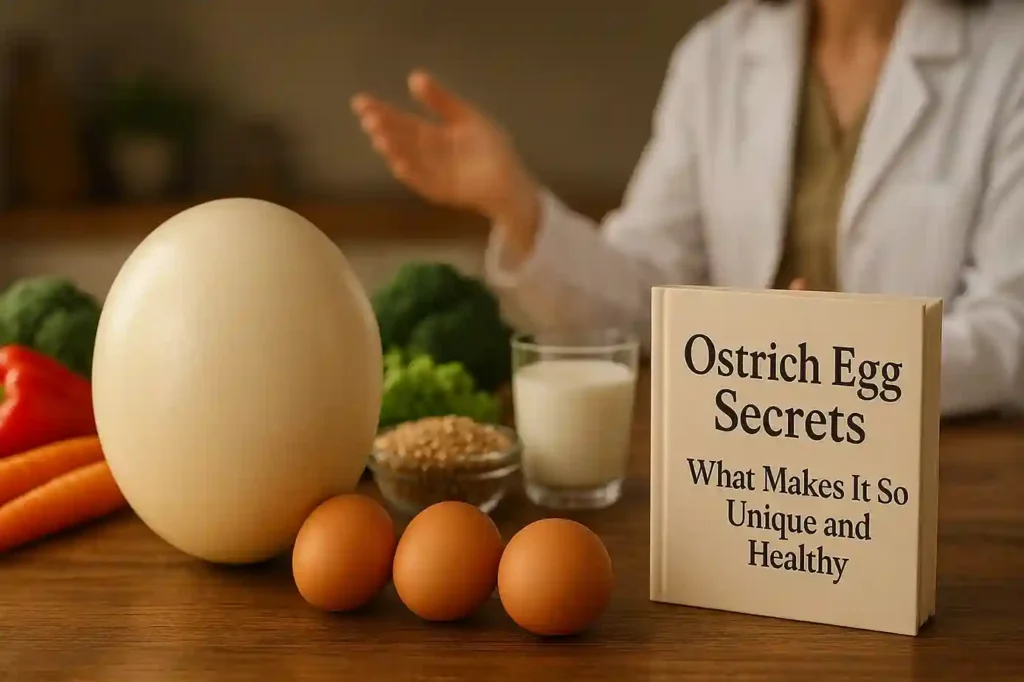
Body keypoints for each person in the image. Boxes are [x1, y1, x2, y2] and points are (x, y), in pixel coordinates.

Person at [351, 0, 1024, 417]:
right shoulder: (720, 54)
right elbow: (649, 300)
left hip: (941, 472)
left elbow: (1009, 329)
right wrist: (517, 203)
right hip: (735, 456)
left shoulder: (1008, 56)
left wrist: (848, 358)